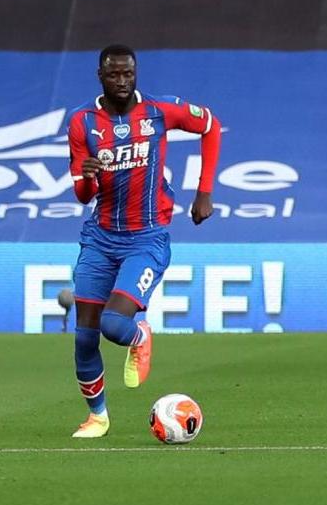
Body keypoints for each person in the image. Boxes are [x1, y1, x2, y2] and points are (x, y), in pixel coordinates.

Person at [66, 44, 220, 439]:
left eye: (128, 74)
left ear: (135, 74)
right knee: (84, 338)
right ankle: (98, 417)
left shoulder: (158, 111)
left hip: (146, 237)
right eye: (114, 75)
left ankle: (140, 335)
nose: (122, 81)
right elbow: (83, 196)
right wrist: (86, 176)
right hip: (99, 237)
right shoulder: (82, 122)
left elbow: (210, 126)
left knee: (114, 324)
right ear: (100, 76)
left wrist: (204, 191)